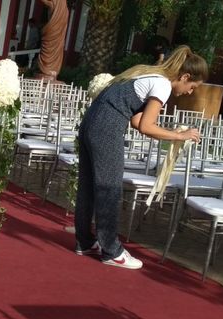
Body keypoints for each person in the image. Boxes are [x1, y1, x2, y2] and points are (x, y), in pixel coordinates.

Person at [74, 45, 207, 269]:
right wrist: (179, 134)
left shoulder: (147, 73)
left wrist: (171, 135)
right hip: (107, 127)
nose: (190, 92)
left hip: (91, 122)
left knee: (88, 186)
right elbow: (146, 126)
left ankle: (85, 241)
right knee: (109, 188)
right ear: (184, 76)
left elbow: (137, 122)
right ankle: (111, 251)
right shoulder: (163, 84)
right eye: (192, 86)